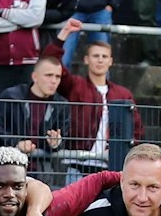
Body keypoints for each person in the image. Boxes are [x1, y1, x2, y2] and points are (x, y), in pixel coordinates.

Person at [59, 40, 142, 170]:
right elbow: (55, 67)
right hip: (77, 163)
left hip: (111, 165)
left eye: (104, 56)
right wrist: (62, 37)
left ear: (111, 61)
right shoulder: (76, 85)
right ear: (86, 59)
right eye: (95, 56)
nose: (100, 60)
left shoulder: (123, 94)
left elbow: (136, 129)